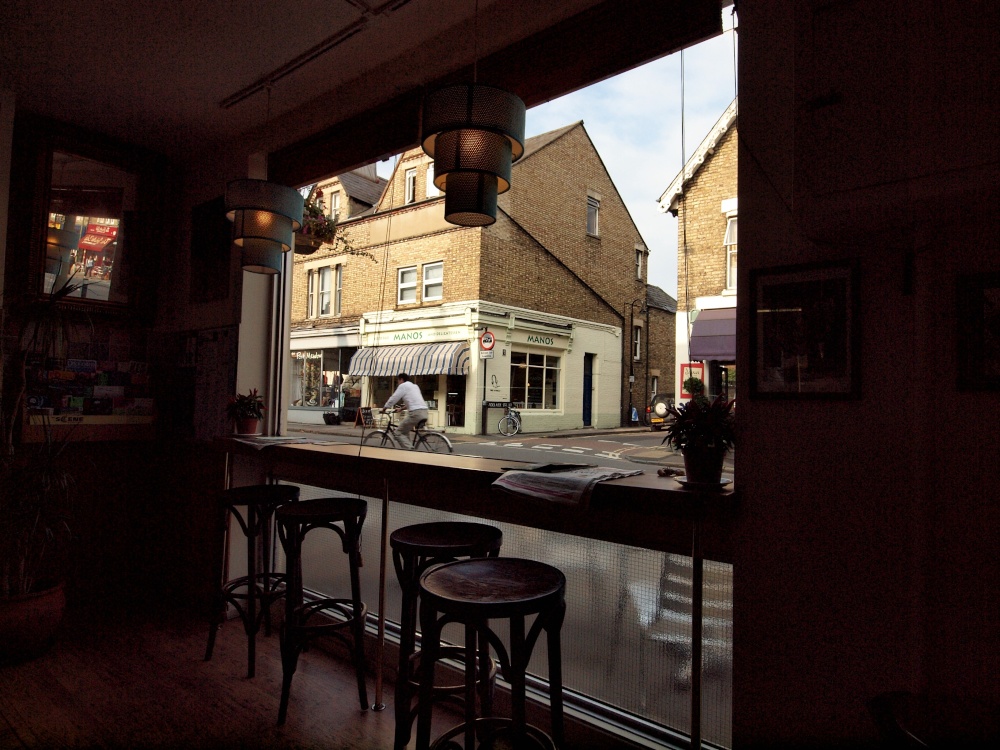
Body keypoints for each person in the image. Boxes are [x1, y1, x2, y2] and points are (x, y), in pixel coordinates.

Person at [383, 373, 427, 449]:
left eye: (398, 380)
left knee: (397, 433)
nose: (398, 383)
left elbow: (394, 398)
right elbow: (413, 401)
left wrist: (385, 408)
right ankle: (408, 449)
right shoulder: (415, 386)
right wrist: (401, 409)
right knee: (404, 432)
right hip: (424, 411)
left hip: (415, 413)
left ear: (401, 379)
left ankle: (410, 450)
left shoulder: (403, 386)